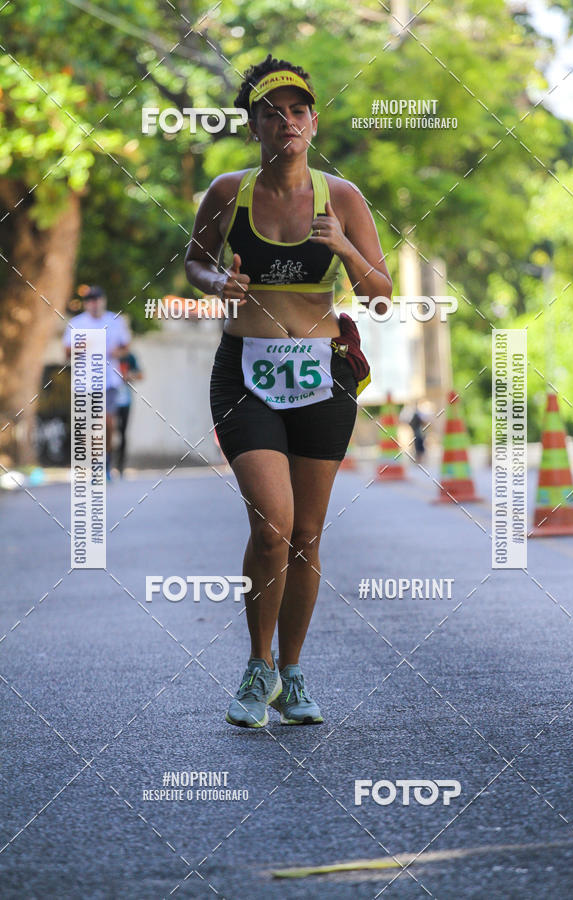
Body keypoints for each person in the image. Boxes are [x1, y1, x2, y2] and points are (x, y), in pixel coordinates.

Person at [184, 55, 392, 728]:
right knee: (271, 527)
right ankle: (257, 665)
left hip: (321, 371)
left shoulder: (344, 198)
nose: (287, 122)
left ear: (314, 120)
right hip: (245, 369)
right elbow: (194, 261)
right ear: (253, 127)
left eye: (298, 110)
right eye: (271, 113)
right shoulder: (227, 192)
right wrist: (220, 285)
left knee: (305, 534)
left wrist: (349, 253)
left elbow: (381, 297)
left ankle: (294, 671)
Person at [63, 285, 131, 480]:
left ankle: (106, 460)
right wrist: (86, 345)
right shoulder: (77, 323)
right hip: (84, 382)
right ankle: (94, 464)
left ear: (103, 301)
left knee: (107, 423)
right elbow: (67, 352)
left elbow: (126, 347)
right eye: (90, 301)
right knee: (88, 427)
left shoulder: (114, 321)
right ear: (86, 304)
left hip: (108, 381)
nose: (94, 304)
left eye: (97, 300)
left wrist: (113, 352)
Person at [115, 351, 143, 477]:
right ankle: (106, 463)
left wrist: (128, 376)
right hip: (109, 401)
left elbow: (141, 375)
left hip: (125, 400)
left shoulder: (129, 357)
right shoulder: (106, 354)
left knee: (122, 433)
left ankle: (120, 465)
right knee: (107, 432)